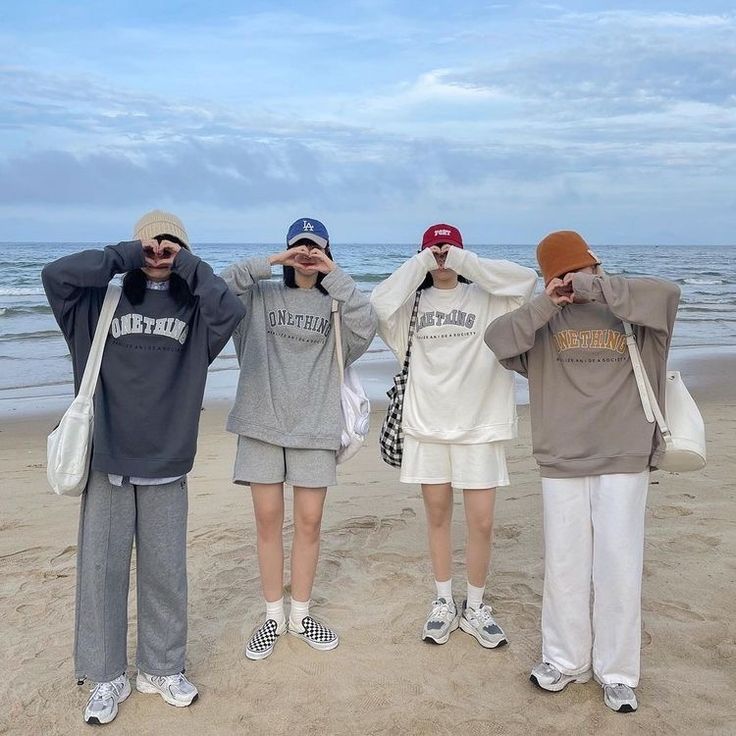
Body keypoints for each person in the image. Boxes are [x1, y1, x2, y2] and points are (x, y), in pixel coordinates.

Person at [41, 210, 245, 725]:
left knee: (166, 574)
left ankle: (162, 668)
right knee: (102, 573)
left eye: (170, 245)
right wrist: (124, 256)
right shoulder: (96, 304)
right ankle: (107, 675)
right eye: (151, 246)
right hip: (106, 457)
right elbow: (55, 275)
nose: (159, 254)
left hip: (168, 460)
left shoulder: (197, 314)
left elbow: (231, 310)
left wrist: (189, 266)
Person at [484, 230, 680, 713]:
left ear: (596, 264)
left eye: (581, 269)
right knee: (565, 565)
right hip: (562, 457)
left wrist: (595, 288)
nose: (574, 280)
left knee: (618, 564)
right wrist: (546, 303)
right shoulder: (543, 320)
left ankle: (617, 672)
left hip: (624, 453)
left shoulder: (634, 308)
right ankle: (563, 660)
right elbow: (497, 340)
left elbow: (670, 294)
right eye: (562, 273)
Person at [370, 224, 537, 648]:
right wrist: (425, 261)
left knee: (482, 521)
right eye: (434, 251)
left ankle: (476, 606)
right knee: (438, 516)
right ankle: (444, 600)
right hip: (427, 428)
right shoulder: (412, 306)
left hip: (480, 427)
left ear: (463, 254)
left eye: (448, 250)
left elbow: (525, 280)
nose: (442, 258)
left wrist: (461, 260)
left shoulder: (490, 300)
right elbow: (378, 301)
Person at [222, 217, 376, 660]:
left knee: (309, 522)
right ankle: (273, 615)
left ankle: (301, 613)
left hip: (315, 427)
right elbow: (216, 291)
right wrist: (269, 262)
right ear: (287, 250)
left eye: (317, 247)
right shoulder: (259, 297)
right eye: (299, 246)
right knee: (268, 521)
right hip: (259, 423)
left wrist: (335, 275)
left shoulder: (335, 307)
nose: (307, 253)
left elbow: (367, 323)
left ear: (329, 253)